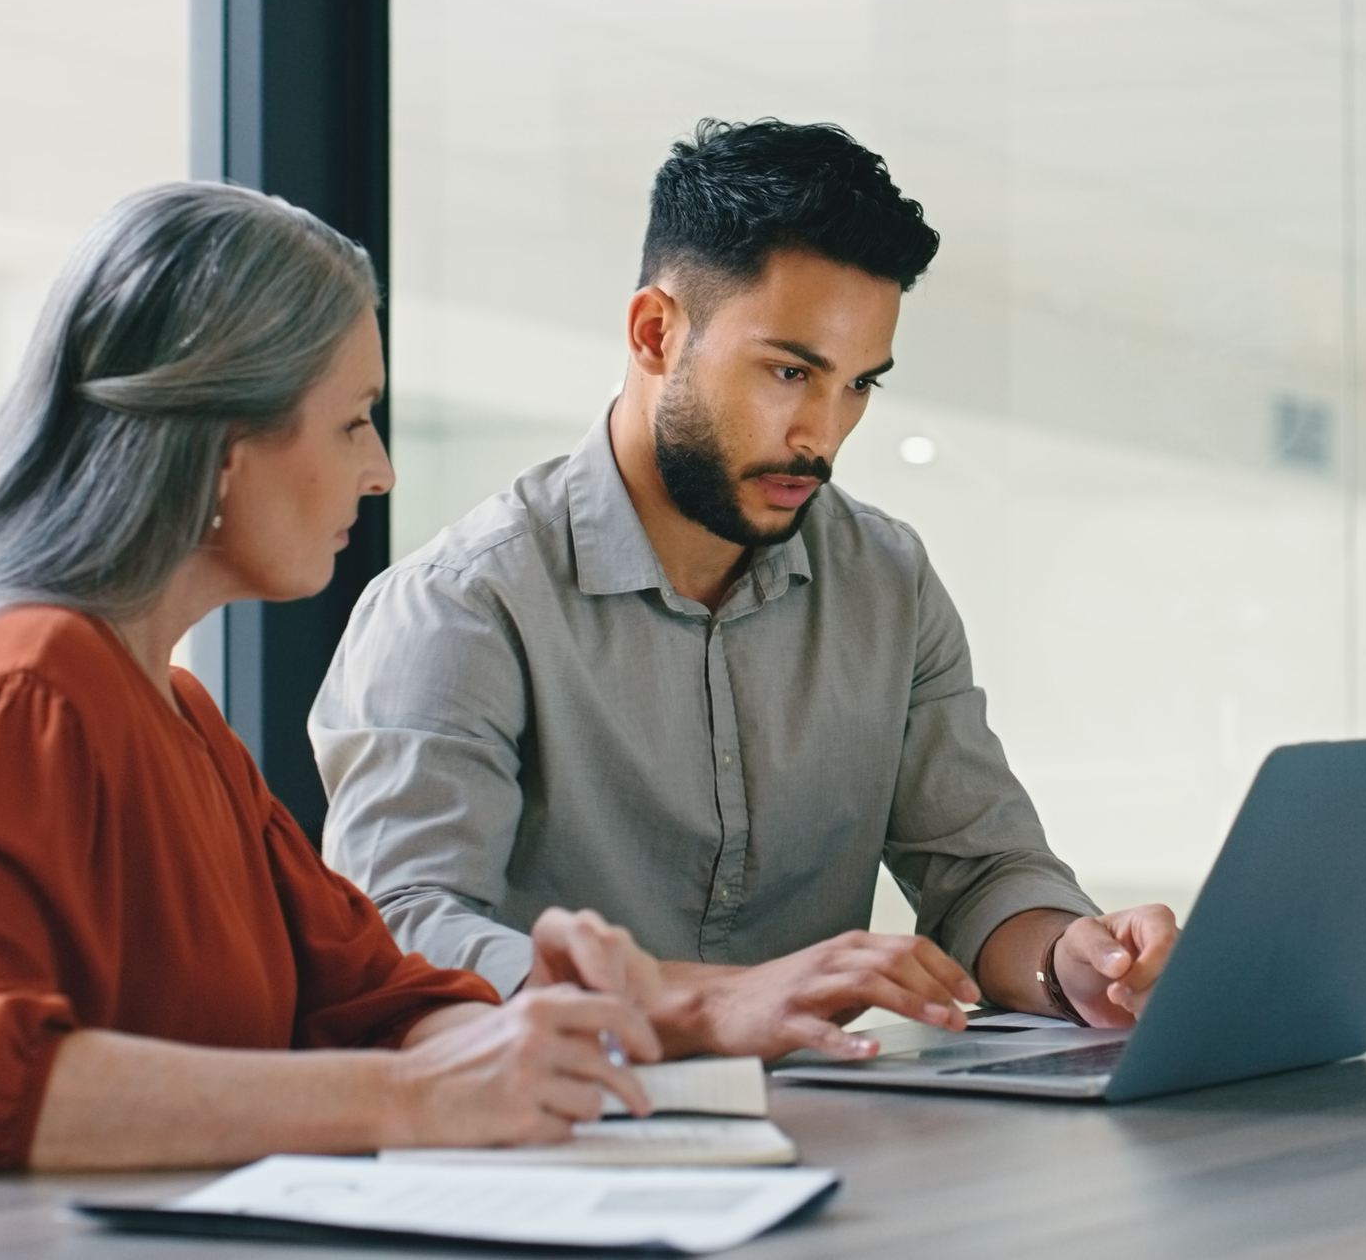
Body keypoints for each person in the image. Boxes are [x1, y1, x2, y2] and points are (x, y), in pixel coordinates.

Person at [0, 181, 665, 1182]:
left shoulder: (181, 714)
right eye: (352, 423)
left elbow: (374, 1003)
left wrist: (521, 1031)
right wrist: (418, 1096)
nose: (377, 470)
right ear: (221, 446)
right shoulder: (28, 685)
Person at [311, 119, 1179, 1063]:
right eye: (789, 371)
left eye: (858, 386)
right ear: (655, 333)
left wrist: (1070, 960)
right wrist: (705, 1002)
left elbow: (980, 871)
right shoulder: (462, 604)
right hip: (560, 1141)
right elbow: (402, 932)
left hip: (835, 1135)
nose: (824, 432)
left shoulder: (887, 580)